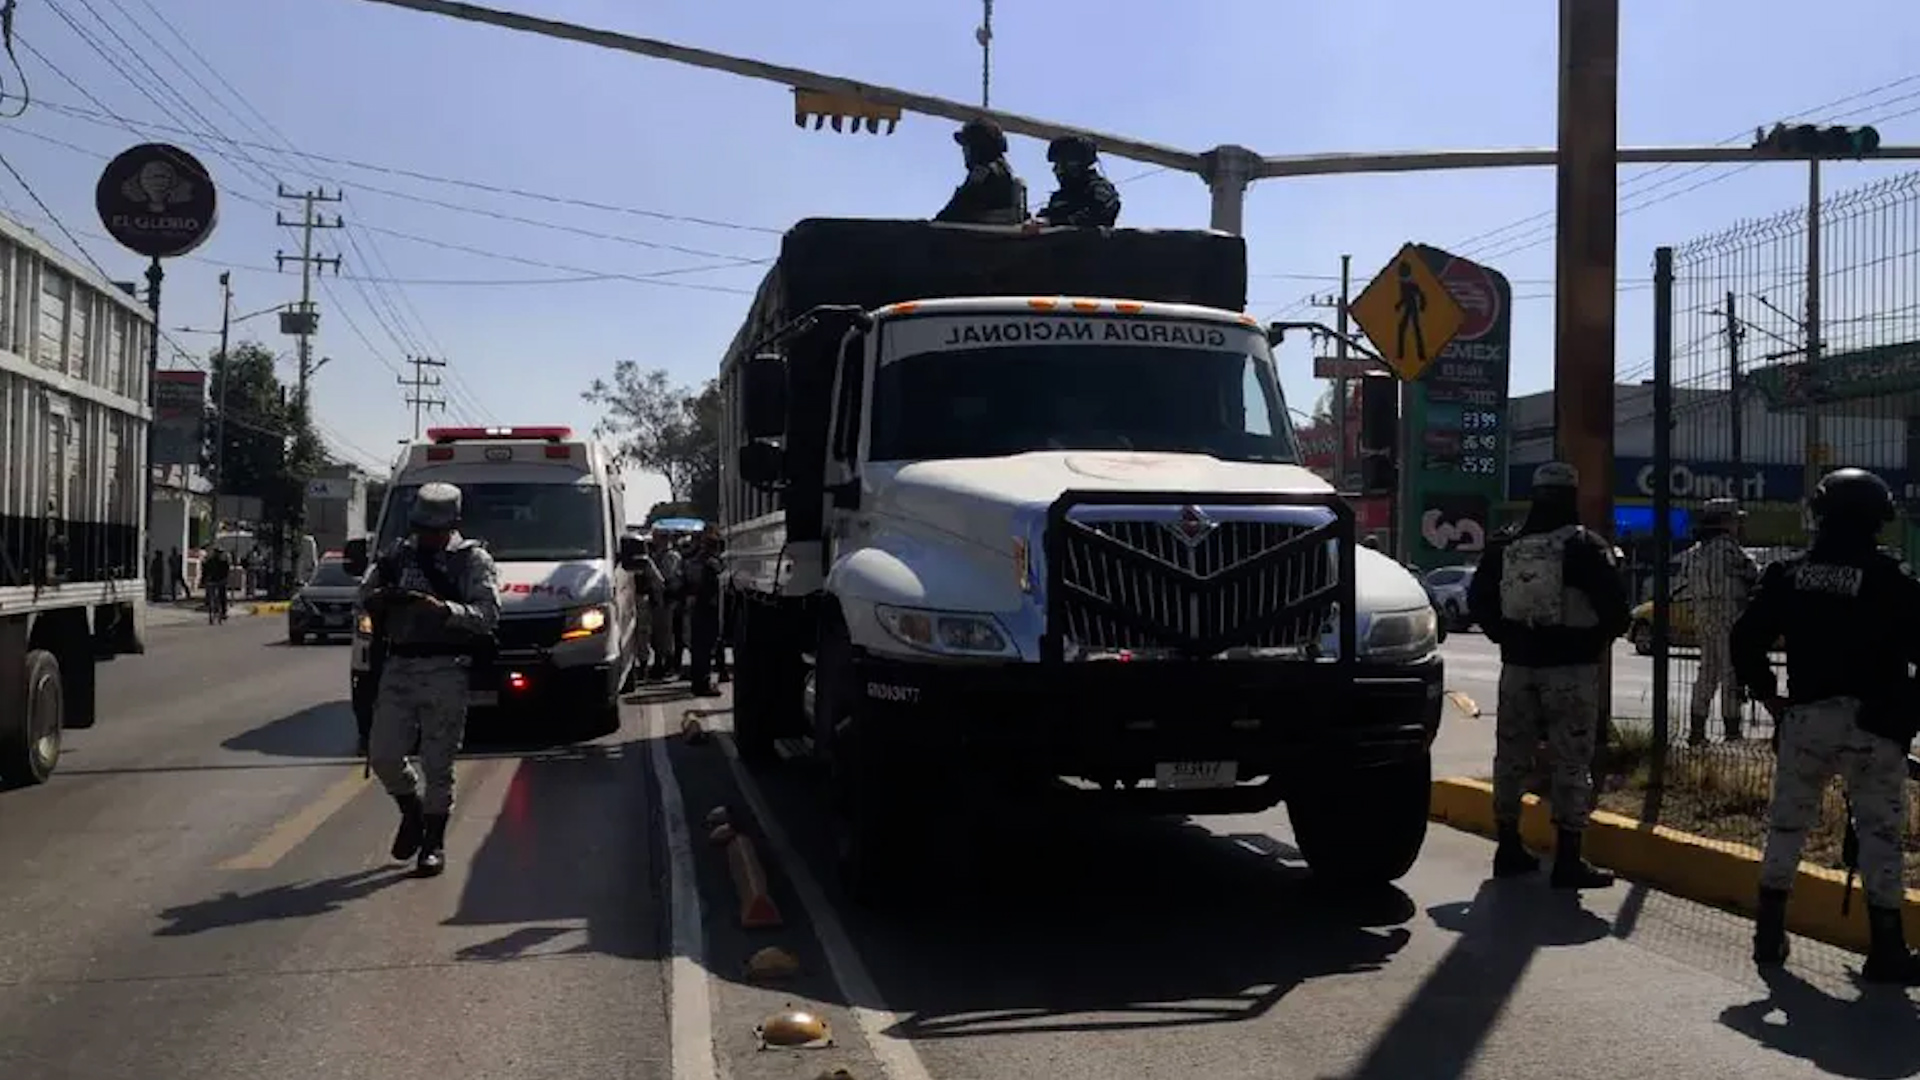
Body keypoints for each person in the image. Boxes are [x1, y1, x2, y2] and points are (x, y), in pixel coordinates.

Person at [1734, 467, 1920, 983]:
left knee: (1788, 826)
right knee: (1880, 834)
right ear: (1876, 519)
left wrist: (1773, 701)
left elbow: (1744, 640)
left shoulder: (1788, 574)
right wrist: (1907, 712)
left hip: (1806, 720)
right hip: (1873, 726)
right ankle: (1888, 950)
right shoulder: (1893, 581)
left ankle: (1768, 937)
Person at [1467, 461, 1631, 889]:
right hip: (1570, 669)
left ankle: (1508, 848)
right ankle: (1569, 859)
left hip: (1518, 667)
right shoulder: (1584, 547)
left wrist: (1509, 637)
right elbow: (1617, 610)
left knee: (1511, 757)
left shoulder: (1506, 543)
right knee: (1572, 759)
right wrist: (1590, 642)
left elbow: (1478, 599)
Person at [359, 482, 501, 877]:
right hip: (399, 665)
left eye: (436, 530)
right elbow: (364, 595)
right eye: (422, 528)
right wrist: (383, 599)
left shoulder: (473, 560)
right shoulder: (397, 556)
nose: (428, 537)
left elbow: (487, 615)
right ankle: (412, 810)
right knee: (384, 755)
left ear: (454, 524)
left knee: (439, 762)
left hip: (445, 666)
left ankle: (433, 842)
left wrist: (443, 610)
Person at [1679, 497, 1760, 744]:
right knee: (1731, 674)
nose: (1738, 526)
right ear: (1725, 522)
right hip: (1730, 617)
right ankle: (1732, 732)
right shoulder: (1729, 549)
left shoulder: (1693, 553)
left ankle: (1696, 731)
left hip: (1703, 616)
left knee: (1707, 673)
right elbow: (1753, 575)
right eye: (1736, 520)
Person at [934, 118, 1028, 226]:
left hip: (975, 238)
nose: (964, 150)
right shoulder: (1006, 172)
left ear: (977, 147)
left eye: (966, 145)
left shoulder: (983, 173)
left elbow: (953, 212)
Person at [1034, 135, 1120, 227]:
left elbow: (1097, 214)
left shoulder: (1099, 189)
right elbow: (1046, 218)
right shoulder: (1061, 196)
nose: (1056, 170)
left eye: (1060, 165)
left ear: (1074, 164)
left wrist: (1054, 222)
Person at [684, 529, 725, 697]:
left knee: (698, 648)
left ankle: (697, 683)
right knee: (705, 649)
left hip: (697, 609)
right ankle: (703, 684)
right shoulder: (712, 565)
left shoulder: (695, 561)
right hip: (708, 610)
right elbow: (713, 589)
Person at [203, 545, 231, 623]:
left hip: (218, 581)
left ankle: (223, 612)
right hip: (214, 581)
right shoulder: (214, 561)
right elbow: (205, 571)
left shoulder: (222, 562)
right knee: (216, 596)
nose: (218, 554)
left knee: (222, 596)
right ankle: (217, 611)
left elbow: (226, 572)